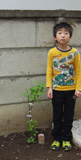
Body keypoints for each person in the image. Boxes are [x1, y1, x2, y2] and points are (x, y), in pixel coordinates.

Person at [46, 22, 81, 151]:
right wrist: (49, 87)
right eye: (60, 33)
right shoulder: (52, 52)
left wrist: (78, 88)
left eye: (66, 33)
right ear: (55, 37)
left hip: (71, 91)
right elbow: (49, 71)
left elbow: (78, 72)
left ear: (70, 37)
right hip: (56, 90)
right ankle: (56, 138)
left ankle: (66, 139)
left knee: (68, 115)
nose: (63, 35)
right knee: (57, 115)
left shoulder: (74, 53)